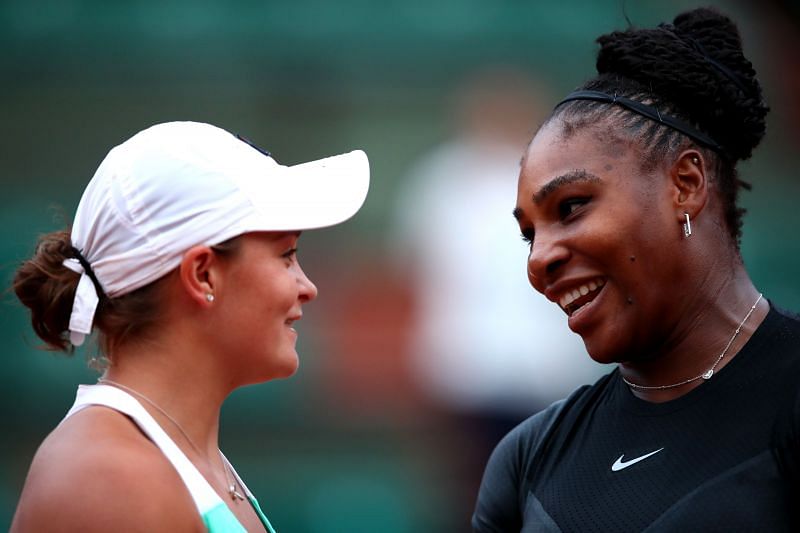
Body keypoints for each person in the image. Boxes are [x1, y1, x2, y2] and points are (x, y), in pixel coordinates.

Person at [473, 7, 800, 531]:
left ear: (686, 184)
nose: (538, 259)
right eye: (528, 234)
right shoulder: (526, 459)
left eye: (572, 207)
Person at [10, 121, 369, 532]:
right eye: (286, 254)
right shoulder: (112, 479)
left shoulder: (173, 461)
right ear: (202, 275)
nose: (308, 287)